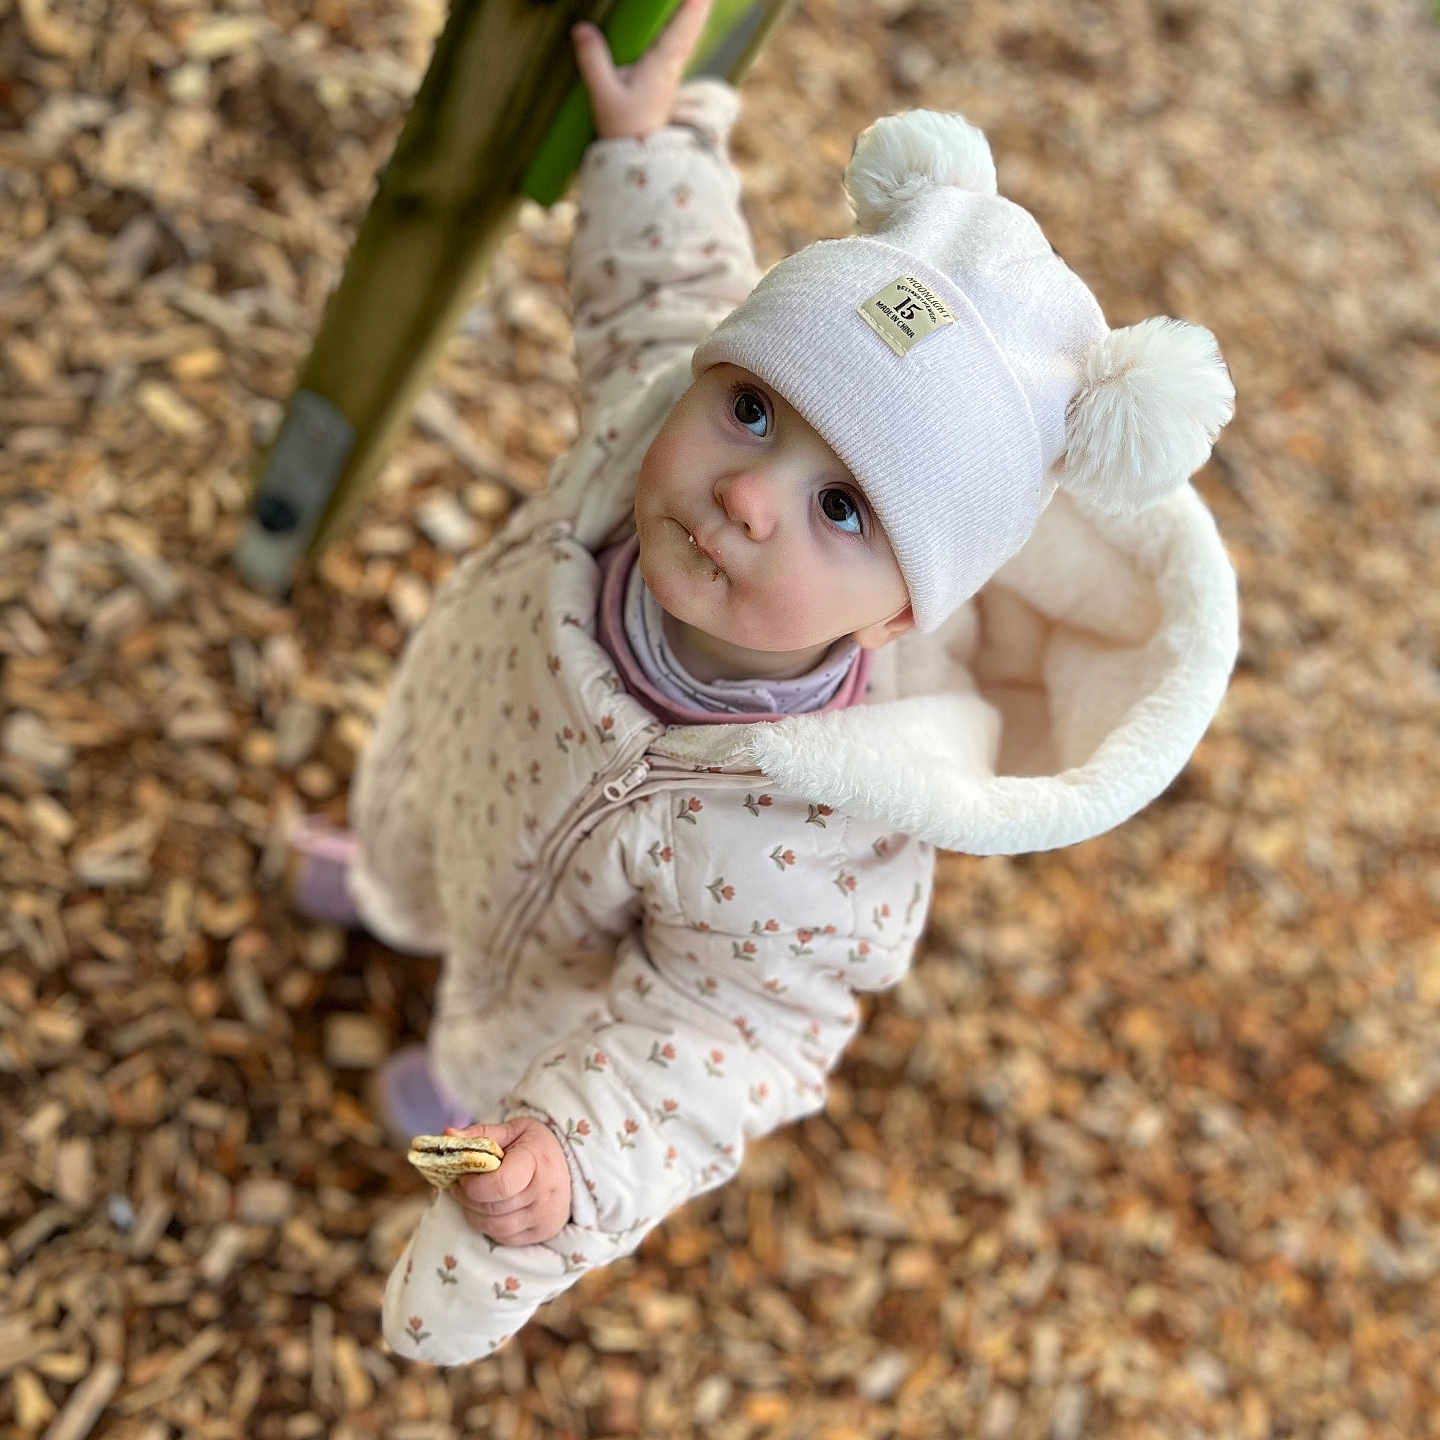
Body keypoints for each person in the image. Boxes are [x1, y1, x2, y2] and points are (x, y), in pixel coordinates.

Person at [290, 0, 1239, 1363]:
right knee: (407, 824)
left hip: (552, 970)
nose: (747, 496)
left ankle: (454, 1082)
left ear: (909, 604)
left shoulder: (822, 830)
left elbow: (733, 1029)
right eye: (750, 409)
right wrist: (647, 146)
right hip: (464, 732)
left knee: (493, 1060)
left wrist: (578, 1150)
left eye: (842, 507)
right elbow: (663, 282)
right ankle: (387, 886)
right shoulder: (647, 420)